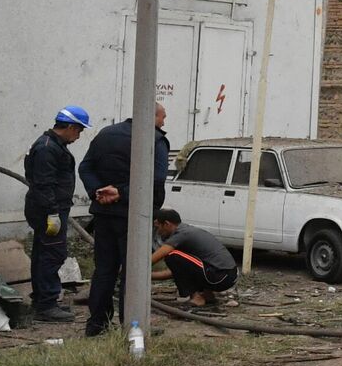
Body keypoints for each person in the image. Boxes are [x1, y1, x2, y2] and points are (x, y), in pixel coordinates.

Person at [77, 103, 170, 338]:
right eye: (162, 118)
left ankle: (96, 324)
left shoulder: (106, 134)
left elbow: (85, 167)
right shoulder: (154, 140)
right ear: (151, 115)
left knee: (104, 270)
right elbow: (156, 179)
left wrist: (97, 191)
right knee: (133, 271)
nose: (163, 123)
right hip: (134, 215)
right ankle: (131, 325)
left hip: (104, 214)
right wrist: (121, 192)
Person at [23, 105, 90, 322]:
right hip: (47, 210)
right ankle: (47, 305)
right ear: (70, 127)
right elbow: (44, 184)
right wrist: (52, 213)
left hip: (48, 208)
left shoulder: (51, 145)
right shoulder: (47, 148)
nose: (79, 136)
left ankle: (43, 300)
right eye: (79, 130)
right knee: (53, 254)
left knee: (44, 253)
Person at [149, 208, 237, 308]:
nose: (158, 232)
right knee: (187, 260)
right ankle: (208, 295)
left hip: (220, 276)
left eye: (158, 227)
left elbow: (155, 258)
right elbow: (177, 273)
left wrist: (135, 272)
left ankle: (197, 298)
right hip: (227, 276)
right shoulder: (186, 231)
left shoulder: (181, 235)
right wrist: (147, 276)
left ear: (166, 224)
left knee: (171, 255)